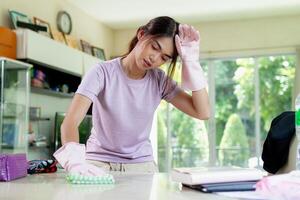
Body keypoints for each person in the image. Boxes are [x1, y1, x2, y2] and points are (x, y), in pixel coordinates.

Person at [53, 16, 210, 176]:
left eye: (164, 57)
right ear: (141, 34)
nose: (154, 58)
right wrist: (75, 162)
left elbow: (202, 112)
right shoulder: (102, 72)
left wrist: (191, 62)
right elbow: (70, 123)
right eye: (154, 47)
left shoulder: (160, 80)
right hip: (98, 164)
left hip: (141, 167)